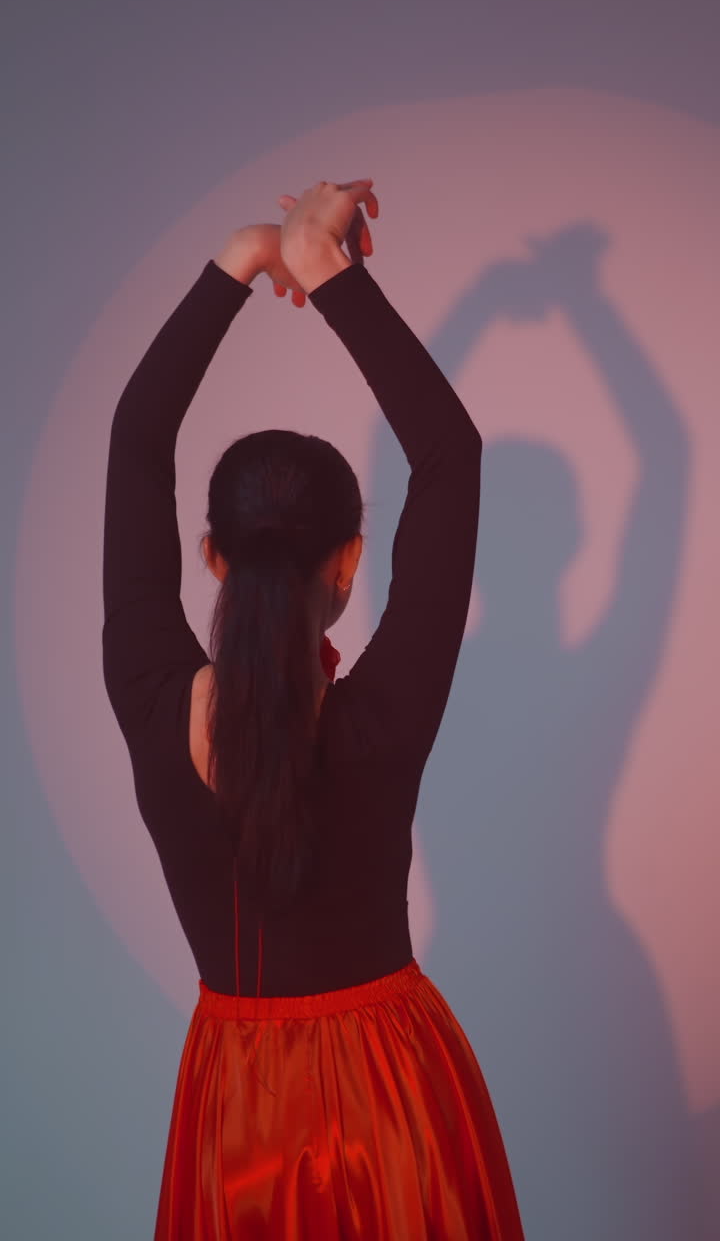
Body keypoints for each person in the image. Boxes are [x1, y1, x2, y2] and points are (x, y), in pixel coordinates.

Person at [102, 178, 525, 1239]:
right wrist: (325, 266)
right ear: (349, 562)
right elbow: (450, 456)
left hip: (232, 1105)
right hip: (396, 1099)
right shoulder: (381, 724)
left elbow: (137, 440)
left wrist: (241, 262)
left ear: (211, 556)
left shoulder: (154, 702)